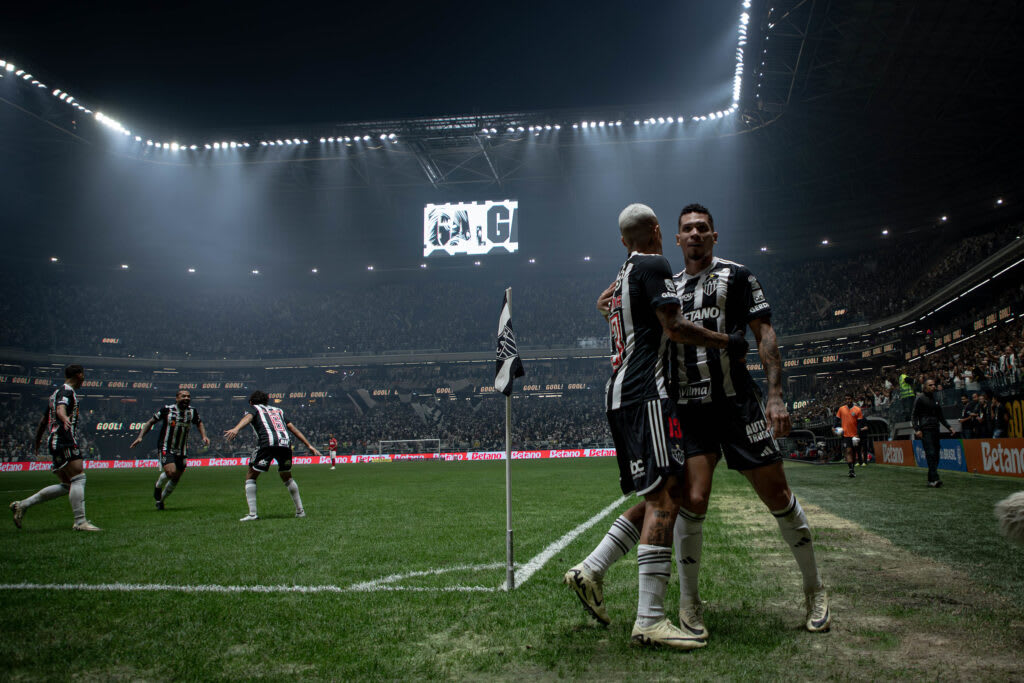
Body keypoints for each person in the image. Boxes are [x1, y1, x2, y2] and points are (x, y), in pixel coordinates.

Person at [567, 203, 830, 641]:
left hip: (737, 404)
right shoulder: (662, 280)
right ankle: (689, 604)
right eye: (687, 229)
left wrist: (777, 395)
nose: (694, 234)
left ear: (714, 236)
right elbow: (608, 301)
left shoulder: (739, 276)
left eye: (702, 229)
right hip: (688, 408)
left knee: (778, 495)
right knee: (689, 500)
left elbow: (764, 333)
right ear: (673, 238)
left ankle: (814, 589)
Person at [563, 203, 745, 651]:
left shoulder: (622, 275)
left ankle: (592, 569)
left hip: (622, 394)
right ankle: (649, 619)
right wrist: (728, 341)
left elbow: (624, 318)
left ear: (623, 241)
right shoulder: (655, 263)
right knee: (666, 499)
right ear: (659, 232)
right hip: (647, 394)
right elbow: (674, 326)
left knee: (670, 492)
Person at [10, 364, 100, 531]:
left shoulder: (55, 394)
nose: (84, 378)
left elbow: (44, 421)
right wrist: (64, 418)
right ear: (79, 375)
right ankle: (80, 522)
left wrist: (37, 440)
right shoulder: (66, 392)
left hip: (55, 440)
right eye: (83, 374)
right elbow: (60, 409)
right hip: (63, 438)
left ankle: (22, 505)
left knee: (67, 484)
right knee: (79, 477)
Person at [223, 391, 321, 521]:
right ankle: (300, 511)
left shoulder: (254, 408)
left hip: (267, 444)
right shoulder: (278, 410)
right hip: (285, 444)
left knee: (251, 475)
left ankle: (252, 514)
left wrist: (236, 428)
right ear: (266, 401)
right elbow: (293, 428)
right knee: (287, 476)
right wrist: (309, 445)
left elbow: (248, 418)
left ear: (251, 402)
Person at [130, 389, 210, 510]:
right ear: (177, 398)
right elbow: (151, 422)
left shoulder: (192, 411)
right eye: (183, 396)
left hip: (182, 449)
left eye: (188, 396)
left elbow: (199, 423)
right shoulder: (167, 410)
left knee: (176, 477)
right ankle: (158, 484)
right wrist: (140, 437)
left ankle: (160, 500)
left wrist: (204, 436)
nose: (187, 398)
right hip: (166, 447)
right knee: (171, 472)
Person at [912, 378, 957, 487]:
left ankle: (931, 479)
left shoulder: (936, 399)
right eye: (930, 385)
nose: (933, 387)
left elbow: (940, 416)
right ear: (925, 387)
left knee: (936, 454)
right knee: (931, 453)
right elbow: (914, 416)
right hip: (925, 429)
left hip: (936, 429)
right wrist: (917, 429)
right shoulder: (920, 399)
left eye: (934, 385)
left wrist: (949, 427)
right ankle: (935, 478)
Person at [835, 395, 866, 478]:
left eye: (849, 399)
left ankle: (855, 465)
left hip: (855, 435)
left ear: (852, 399)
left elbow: (859, 423)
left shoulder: (857, 410)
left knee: (855, 452)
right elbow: (836, 420)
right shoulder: (841, 409)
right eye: (846, 399)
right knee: (848, 451)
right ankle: (851, 470)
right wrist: (833, 428)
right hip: (846, 435)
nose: (847, 400)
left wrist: (857, 433)